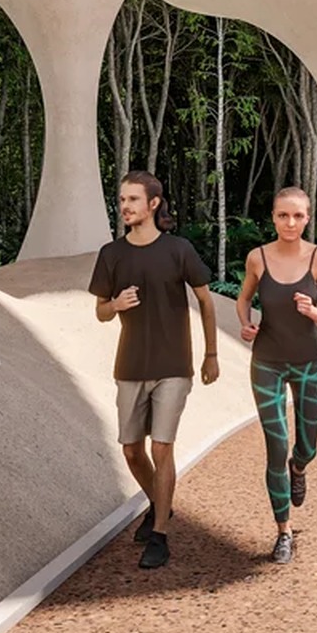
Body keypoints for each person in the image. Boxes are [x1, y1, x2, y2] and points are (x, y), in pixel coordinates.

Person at [88, 171, 218, 570]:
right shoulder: (111, 254)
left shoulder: (179, 249)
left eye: (132, 200)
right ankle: (161, 504)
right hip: (129, 366)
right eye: (122, 200)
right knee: (131, 450)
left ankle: (159, 534)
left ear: (154, 204)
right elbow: (100, 313)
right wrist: (116, 306)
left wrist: (211, 354)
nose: (125, 206)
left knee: (161, 446)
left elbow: (206, 302)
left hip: (174, 365)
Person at [236, 186, 317, 565]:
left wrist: (312, 311)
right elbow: (244, 297)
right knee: (275, 447)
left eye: (298, 216)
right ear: (273, 217)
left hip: (310, 363)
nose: (290, 223)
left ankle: (300, 468)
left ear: (308, 218)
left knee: (306, 448)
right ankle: (283, 532)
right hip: (267, 362)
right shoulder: (257, 258)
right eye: (283, 215)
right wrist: (246, 324)